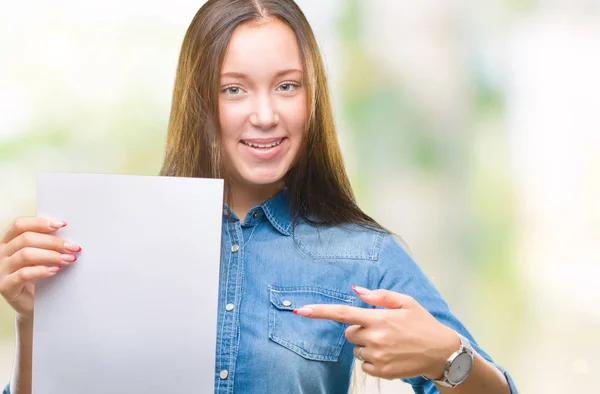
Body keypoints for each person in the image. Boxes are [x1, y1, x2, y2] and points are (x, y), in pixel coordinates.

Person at [0, 0, 519, 393]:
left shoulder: (363, 255)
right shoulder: (111, 238)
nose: (266, 114)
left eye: (288, 86)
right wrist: (31, 320)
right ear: (199, 100)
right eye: (235, 89)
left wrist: (447, 357)